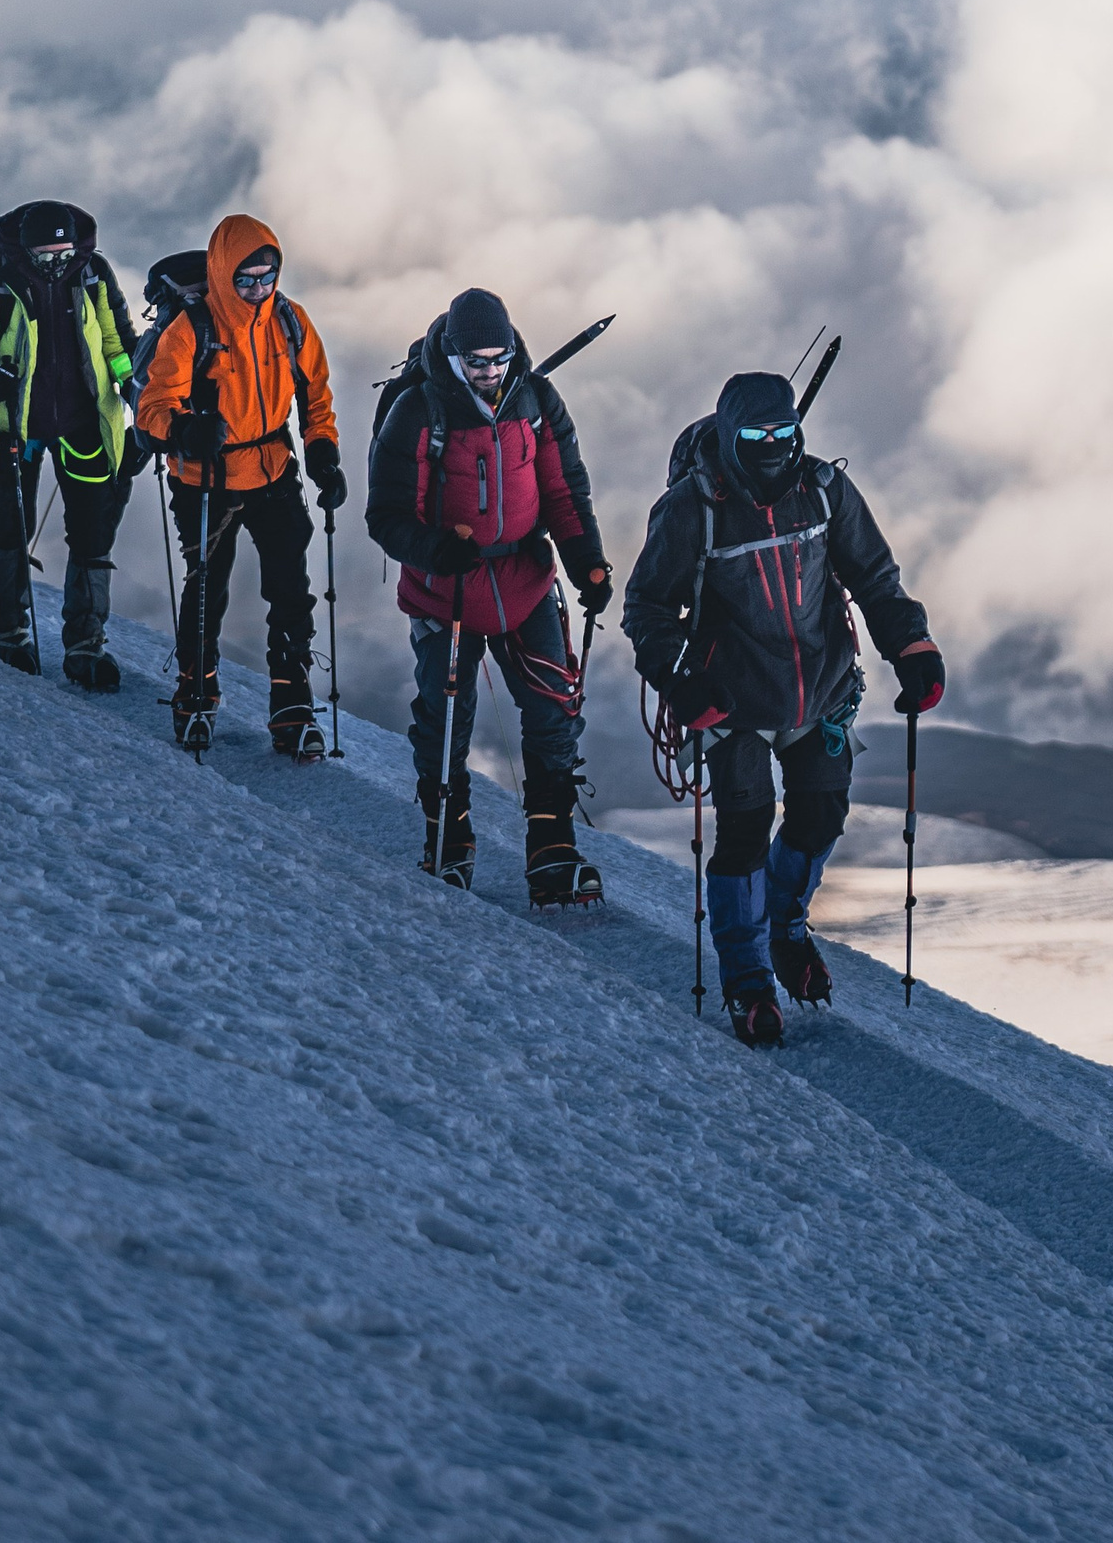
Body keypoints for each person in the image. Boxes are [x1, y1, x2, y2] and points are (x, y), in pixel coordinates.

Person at [624, 370, 943, 1046]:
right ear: (729, 436)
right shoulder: (691, 509)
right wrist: (681, 680)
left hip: (821, 692)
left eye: (785, 431)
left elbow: (874, 577)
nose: (773, 445)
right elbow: (647, 607)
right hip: (730, 704)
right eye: (757, 434)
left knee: (819, 817)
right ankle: (748, 978)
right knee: (743, 832)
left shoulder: (824, 491)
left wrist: (912, 646)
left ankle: (786, 929)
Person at [364, 287, 615, 903]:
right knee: (446, 717)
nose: (489, 372)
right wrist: (434, 550)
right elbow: (386, 515)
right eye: (476, 362)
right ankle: (448, 838)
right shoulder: (419, 410)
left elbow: (564, 491)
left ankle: (553, 848)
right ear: (452, 355)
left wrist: (587, 563)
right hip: (444, 587)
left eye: (498, 359)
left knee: (554, 709)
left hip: (525, 579)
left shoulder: (537, 401)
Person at [134, 213, 345, 758]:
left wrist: (323, 451)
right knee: (208, 588)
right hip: (205, 478)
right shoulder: (193, 327)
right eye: (245, 279)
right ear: (223, 274)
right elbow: (153, 406)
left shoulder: (290, 321)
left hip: (273, 468)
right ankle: (195, 693)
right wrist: (184, 429)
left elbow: (316, 394)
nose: (258, 289)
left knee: (290, 590)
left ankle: (292, 703)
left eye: (267, 277)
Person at [0, 199, 140, 685]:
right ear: (26, 249)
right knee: (9, 527)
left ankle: (86, 645)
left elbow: (118, 342)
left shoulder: (93, 273)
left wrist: (135, 385)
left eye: (65, 253)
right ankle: (9, 636)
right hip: (14, 425)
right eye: (46, 255)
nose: (57, 262)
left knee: (93, 532)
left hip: (87, 423)